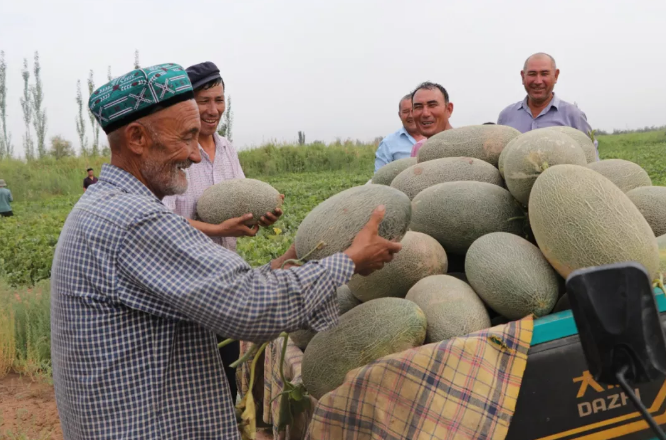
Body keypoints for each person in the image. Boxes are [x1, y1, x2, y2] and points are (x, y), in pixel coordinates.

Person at [50, 62, 401, 440]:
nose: (196, 155)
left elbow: (224, 289)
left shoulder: (110, 204)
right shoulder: (133, 220)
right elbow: (249, 307)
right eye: (186, 137)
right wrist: (348, 262)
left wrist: (288, 260)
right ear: (136, 138)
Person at [162, 61, 282, 401]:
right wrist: (217, 227)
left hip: (224, 278)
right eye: (204, 101)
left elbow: (243, 201)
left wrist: (261, 216)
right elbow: (163, 222)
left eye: (219, 99)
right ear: (186, 103)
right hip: (185, 283)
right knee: (192, 382)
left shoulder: (228, 148)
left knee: (227, 375)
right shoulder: (174, 151)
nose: (213, 110)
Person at [497, 52, 599, 158]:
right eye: (532, 74)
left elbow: (591, 157)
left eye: (544, 74)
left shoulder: (573, 115)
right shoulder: (506, 116)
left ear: (556, 76)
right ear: (523, 77)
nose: (538, 81)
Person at [374, 94, 425, 172]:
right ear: (399, 115)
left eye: (413, 110)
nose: (410, 115)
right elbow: (379, 176)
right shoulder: (387, 143)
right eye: (405, 111)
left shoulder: (435, 137)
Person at [409, 81, 454, 157]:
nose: (425, 113)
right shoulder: (418, 149)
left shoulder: (469, 144)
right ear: (412, 112)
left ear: (449, 109)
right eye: (418, 107)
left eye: (432, 105)